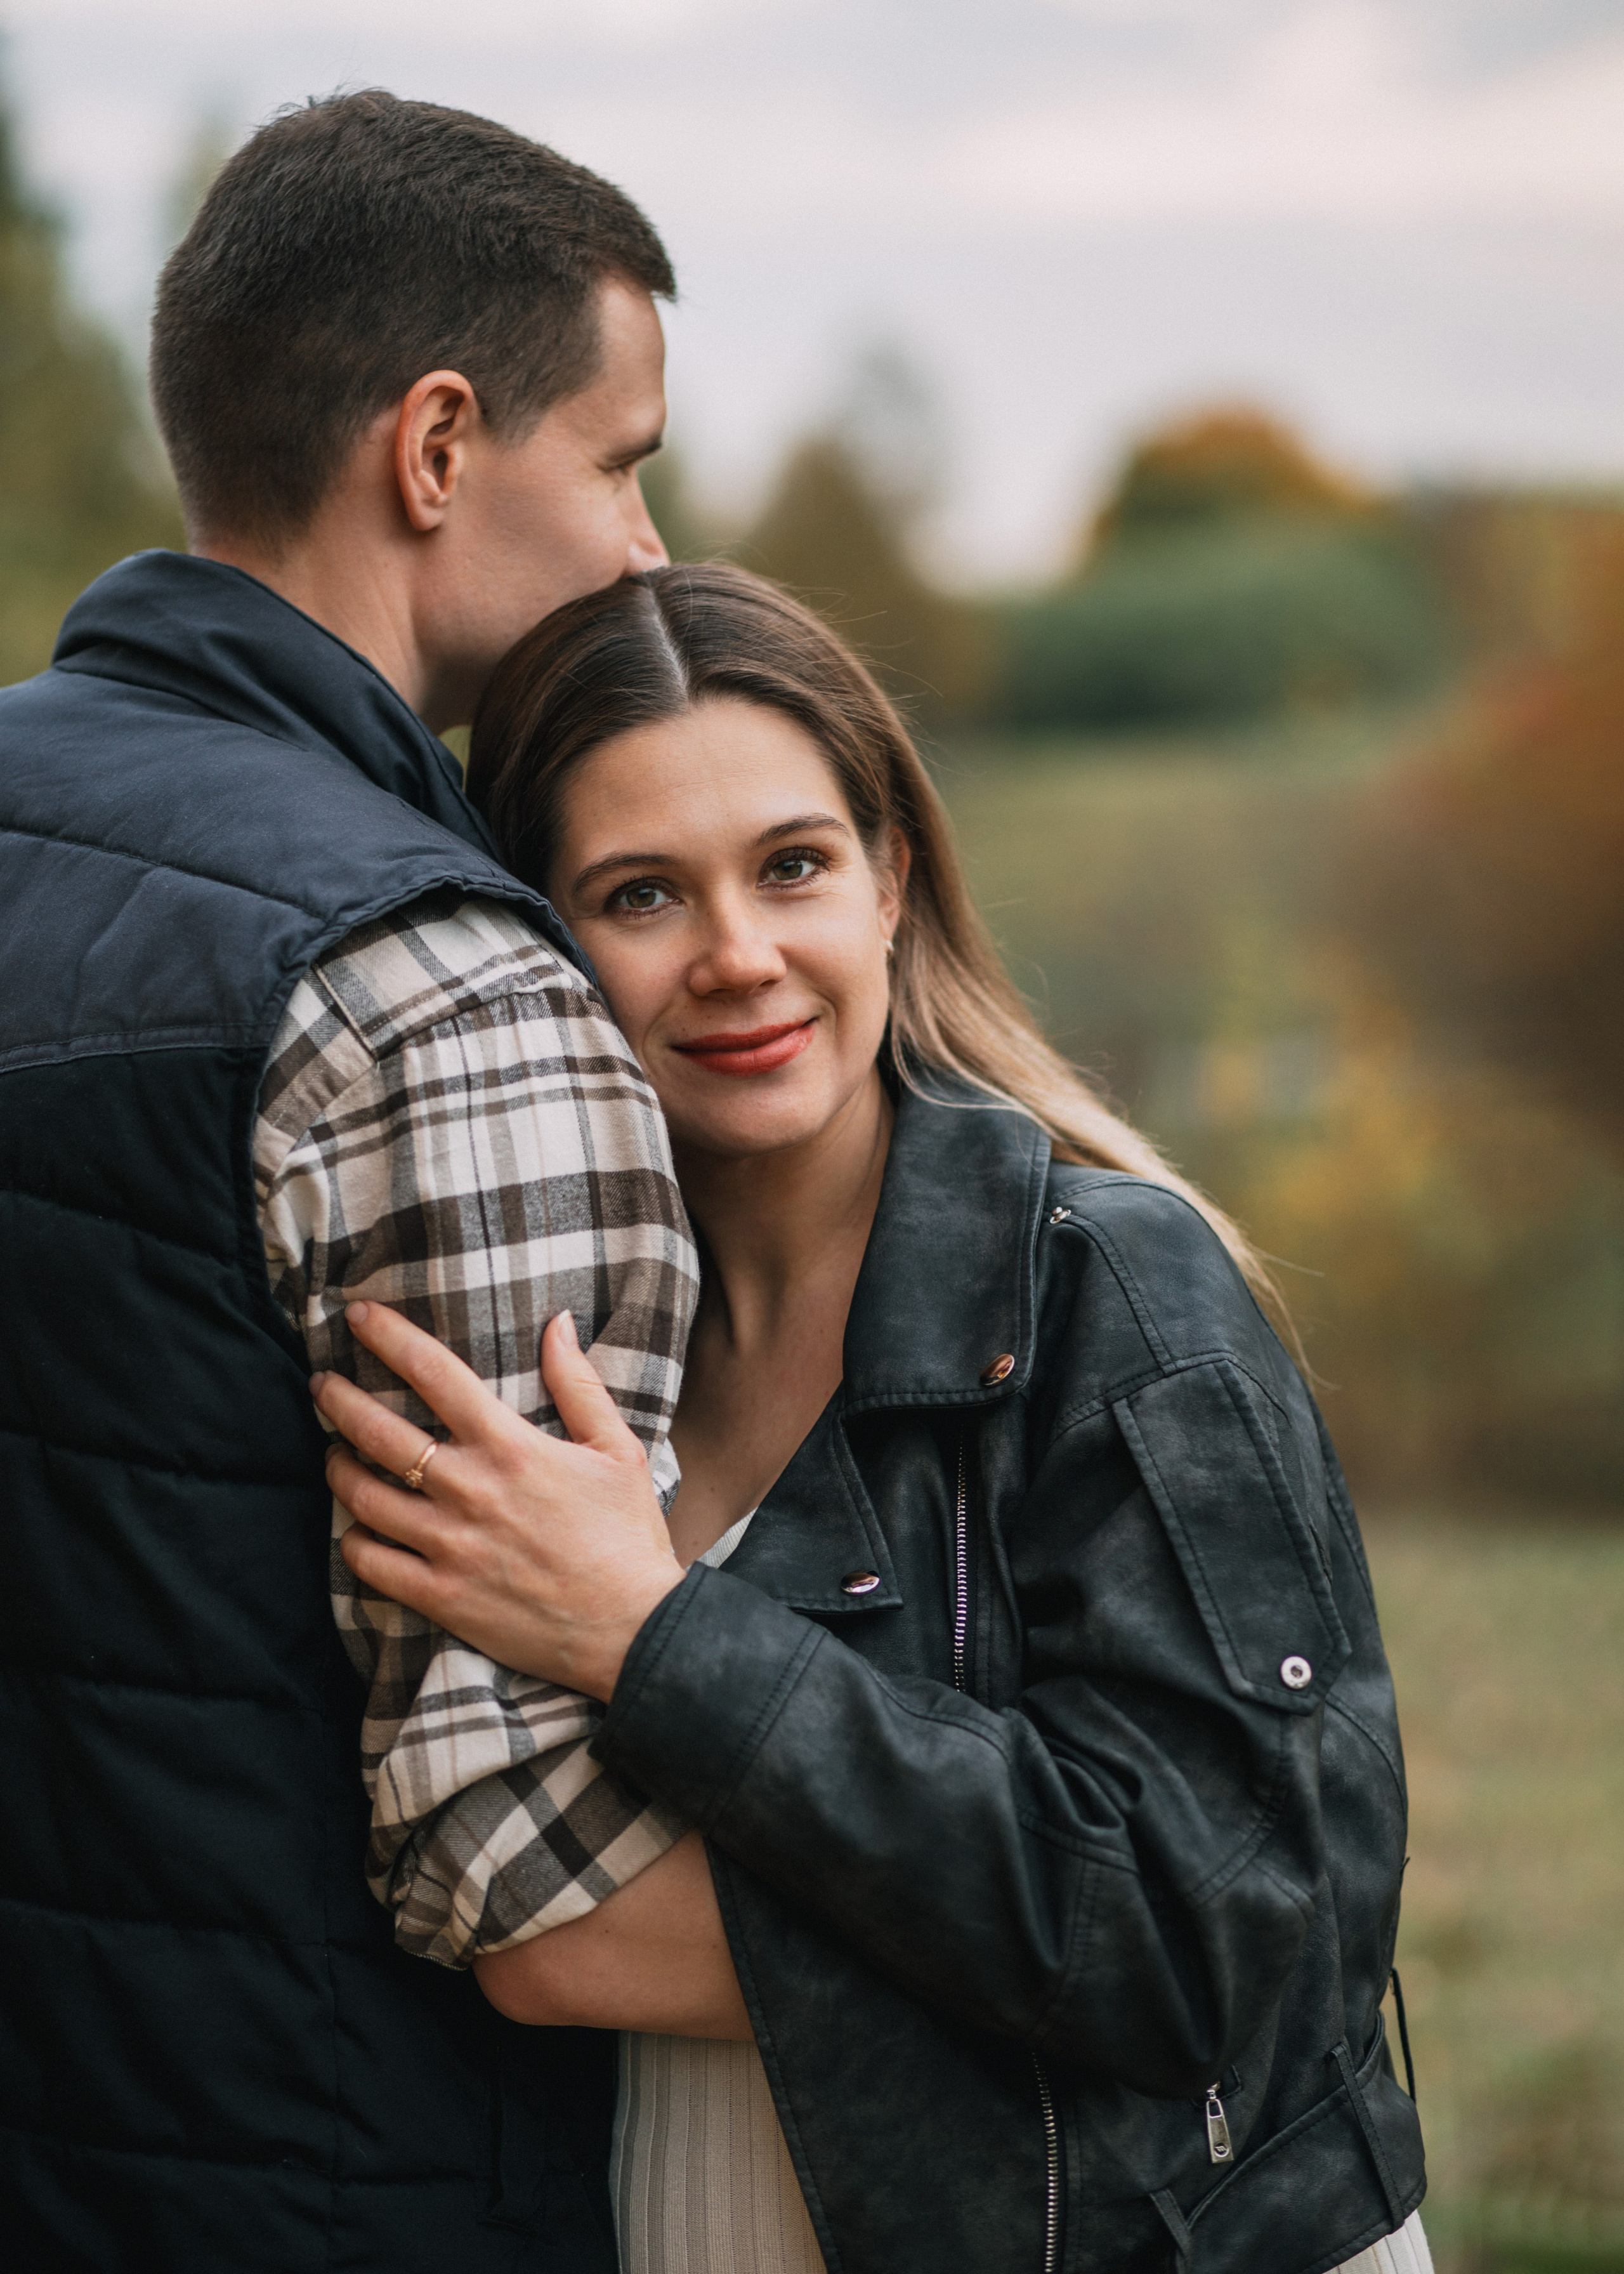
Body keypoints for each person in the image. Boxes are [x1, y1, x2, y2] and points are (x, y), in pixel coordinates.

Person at [316, 563, 1434, 2274]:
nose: (738, 957)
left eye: (793, 867)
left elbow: (1211, 1935)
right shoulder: (574, 1355)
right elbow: (511, 1927)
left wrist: (655, 1635)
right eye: (639, 895)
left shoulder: (1111, 1292)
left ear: (892, 879)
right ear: (544, 949)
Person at [0, 93, 701, 2271]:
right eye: (622, 464)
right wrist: (1094, 1948)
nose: (647, 554)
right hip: (323, 2189)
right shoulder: (438, 983)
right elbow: (529, 1878)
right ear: (436, 447)